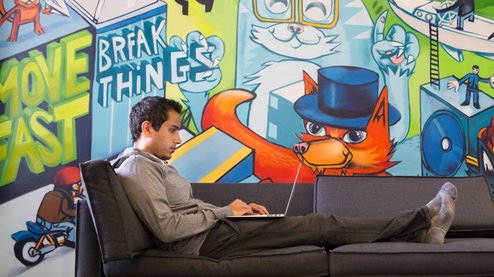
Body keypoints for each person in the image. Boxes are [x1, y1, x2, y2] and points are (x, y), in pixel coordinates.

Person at [111, 96, 457, 259]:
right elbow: (166, 229)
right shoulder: (138, 167)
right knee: (324, 225)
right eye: (172, 129)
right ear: (147, 127)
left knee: (323, 224)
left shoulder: (153, 164)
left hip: (213, 232)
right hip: (204, 243)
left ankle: (420, 234)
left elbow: (182, 208)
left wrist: (233, 208)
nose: (177, 137)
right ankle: (423, 219)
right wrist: (223, 213)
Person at [35, 166, 83, 247]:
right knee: (71, 226)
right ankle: (71, 242)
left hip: (41, 220)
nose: (81, 187)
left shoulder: (53, 193)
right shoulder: (64, 197)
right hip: (49, 224)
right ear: (73, 186)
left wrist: (75, 207)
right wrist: (80, 210)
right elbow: (67, 211)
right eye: (79, 184)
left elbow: (61, 210)